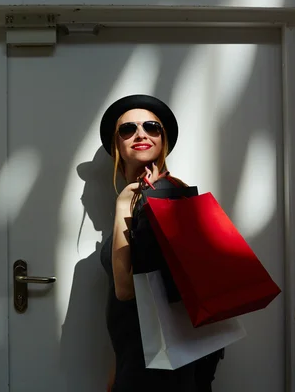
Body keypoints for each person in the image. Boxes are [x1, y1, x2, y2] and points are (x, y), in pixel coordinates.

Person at [98, 95, 222, 392]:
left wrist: (121, 205)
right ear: (117, 144)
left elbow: (126, 290)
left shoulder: (168, 197)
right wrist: (119, 364)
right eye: (128, 129)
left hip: (164, 365)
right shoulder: (141, 197)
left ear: (162, 139)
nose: (140, 133)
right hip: (140, 354)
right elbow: (131, 303)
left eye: (151, 126)